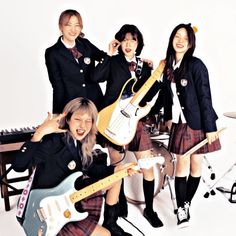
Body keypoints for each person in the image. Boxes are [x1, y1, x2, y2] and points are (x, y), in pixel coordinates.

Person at [12, 97, 134, 236]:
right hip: (46, 210)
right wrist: (39, 134)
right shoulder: (54, 141)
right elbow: (18, 166)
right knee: (105, 235)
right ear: (68, 119)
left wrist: (116, 169)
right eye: (78, 119)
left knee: (116, 179)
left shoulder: (81, 143)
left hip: (68, 201)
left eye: (88, 120)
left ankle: (111, 223)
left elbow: (92, 169)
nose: (83, 125)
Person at [91, 24, 164, 228]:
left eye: (133, 39)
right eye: (124, 39)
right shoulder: (113, 61)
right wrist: (108, 54)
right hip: (112, 121)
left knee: (147, 165)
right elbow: (95, 77)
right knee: (117, 166)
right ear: (119, 42)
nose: (128, 44)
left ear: (138, 43)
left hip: (134, 121)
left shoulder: (145, 66)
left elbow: (148, 98)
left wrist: (156, 80)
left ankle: (149, 209)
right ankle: (118, 207)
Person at [157, 23, 221, 228]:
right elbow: (167, 96)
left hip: (199, 123)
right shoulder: (167, 66)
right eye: (177, 36)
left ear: (191, 43)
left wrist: (210, 128)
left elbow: (205, 97)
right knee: (181, 166)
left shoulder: (196, 65)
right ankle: (182, 211)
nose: (180, 41)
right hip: (180, 125)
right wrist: (168, 117)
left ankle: (185, 203)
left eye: (185, 38)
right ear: (172, 38)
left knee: (196, 166)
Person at [45, 9, 112, 115]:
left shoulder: (85, 44)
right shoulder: (52, 53)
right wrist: (57, 113)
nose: (73, 29)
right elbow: (57, 86)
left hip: (95, 103)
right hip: (73, 106)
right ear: (60, 26)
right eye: (68, 25)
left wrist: (117, 53)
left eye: (77, 25)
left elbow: (104, 57)